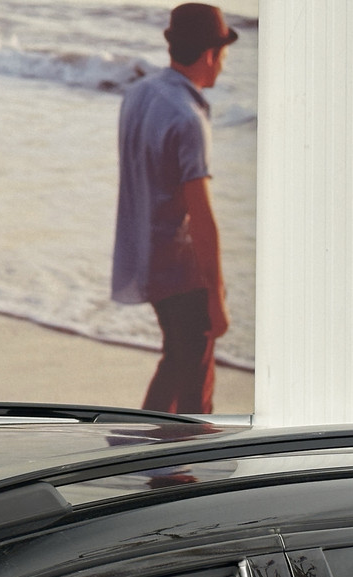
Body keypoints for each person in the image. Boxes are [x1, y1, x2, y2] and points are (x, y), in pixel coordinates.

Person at [111, 3, 238, 414]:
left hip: (145, 259)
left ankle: (138, 446)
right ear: (210, 55)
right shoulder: (188, 117)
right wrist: (216, 295)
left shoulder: (139, 93)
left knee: (175, 363)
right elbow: (200, 216)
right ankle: (181, 457)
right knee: (195, 398)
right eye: (223, 53)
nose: (223, 64)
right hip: (182, 270)